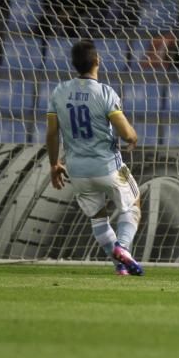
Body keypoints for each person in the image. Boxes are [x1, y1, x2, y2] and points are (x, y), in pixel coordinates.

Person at [45, 40, 144, 276]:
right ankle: (122, 247)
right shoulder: (104, 92)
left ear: (74, 65)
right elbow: (126, 132)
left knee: (98, 219)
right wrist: (133, 137)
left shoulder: (59, 92)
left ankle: (120, 266)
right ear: (97, 60)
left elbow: (51, 133)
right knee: (134, 203)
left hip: (77, 171)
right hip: (107, 165)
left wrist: (54, 164)